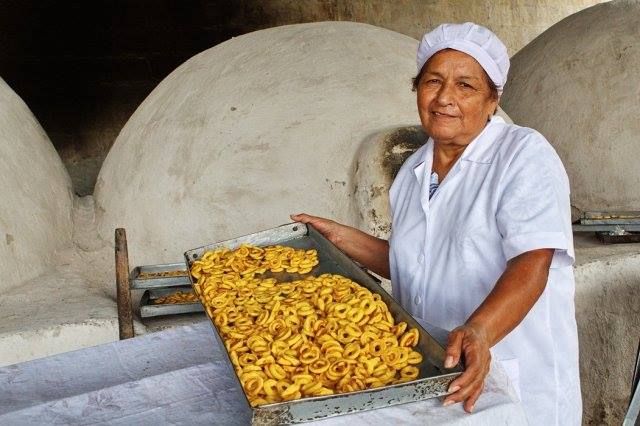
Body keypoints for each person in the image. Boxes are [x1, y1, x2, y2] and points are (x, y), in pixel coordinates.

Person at [292, 22, 581, 425]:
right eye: (433, 82)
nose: (445, 98)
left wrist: (480, 330)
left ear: (492, 99)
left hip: (512, 375)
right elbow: (415, 265)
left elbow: (533, 262)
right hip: (431, 377)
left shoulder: (523, 155)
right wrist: (339, 239)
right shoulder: (414, 170)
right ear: (417, 90)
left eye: (465, 86)